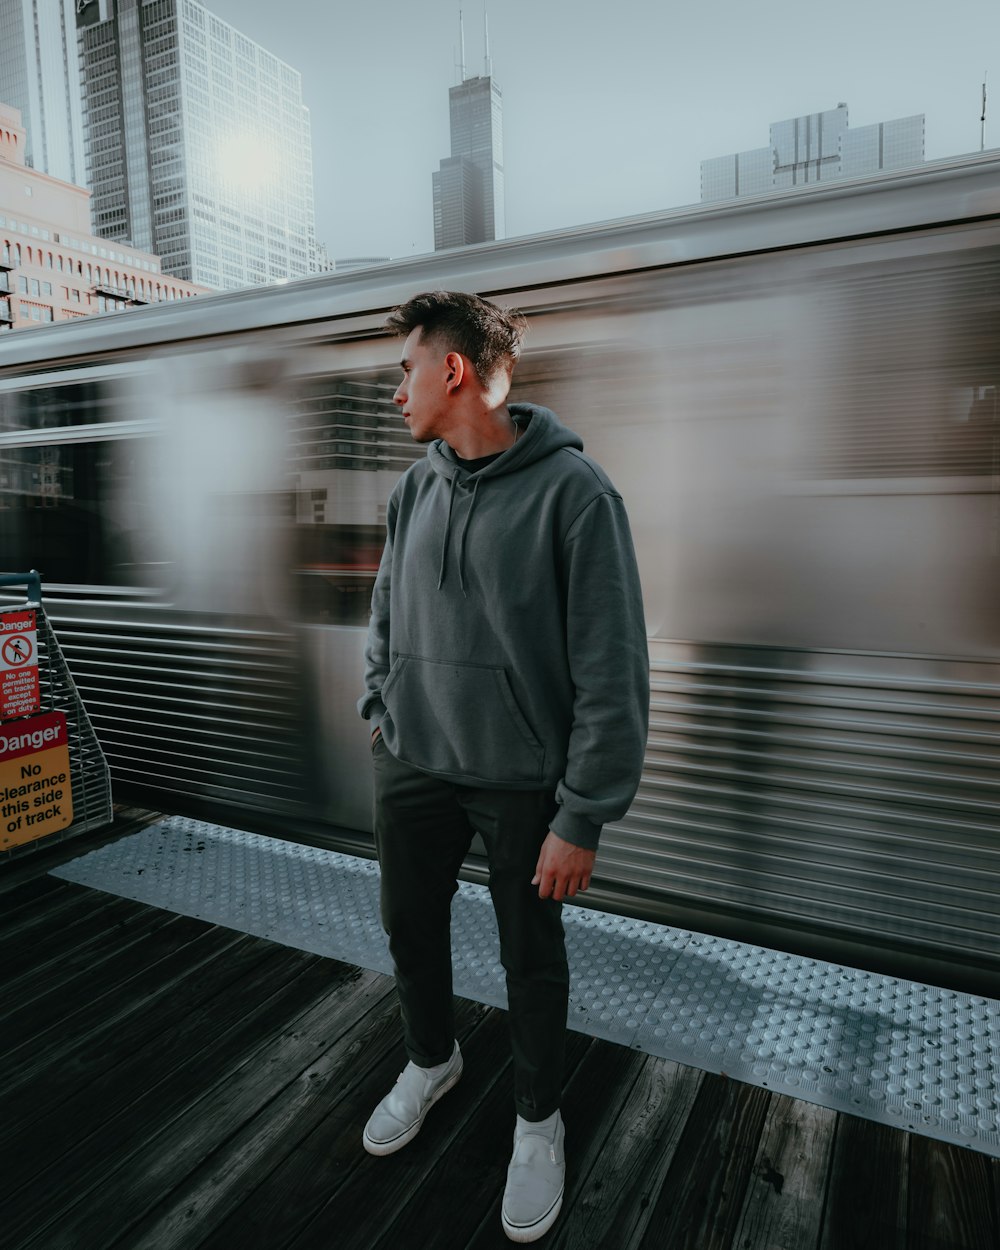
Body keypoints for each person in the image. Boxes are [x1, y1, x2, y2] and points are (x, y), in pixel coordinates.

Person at [358, 290, 648, 1243]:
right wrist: (383, 712)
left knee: (531, 959)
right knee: (410, 927)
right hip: (414, 762)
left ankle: (538, 1120)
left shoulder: (578, 496)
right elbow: (386, 616)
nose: (392, 388)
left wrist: (582, 816)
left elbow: (612, 670)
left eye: (403, 368)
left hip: (525, 782)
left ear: (451, 370)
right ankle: (431, 1059)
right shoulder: (414, 488)